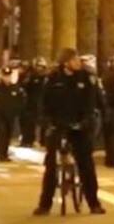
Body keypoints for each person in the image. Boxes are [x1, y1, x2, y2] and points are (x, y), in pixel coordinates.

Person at [34, 48, 105, 215]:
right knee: (51, 165)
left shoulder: (86, 78)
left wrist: (86, 121)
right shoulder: (53, 79)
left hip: (80, 125)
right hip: (58, 124)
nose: (78, 62)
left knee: (86, 163)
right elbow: (44, 103)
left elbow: (91, 103)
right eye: (75, 60)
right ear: (66, 63)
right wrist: (47, 122)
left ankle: (94, 203)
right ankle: (45, 204)